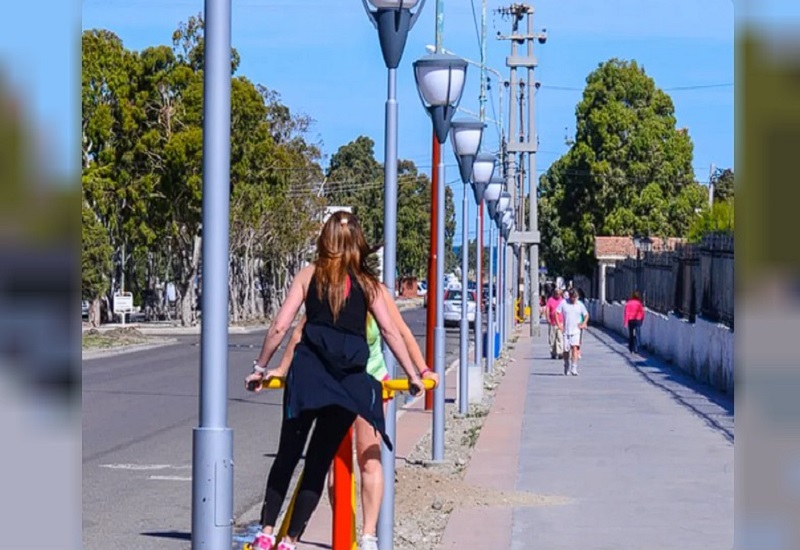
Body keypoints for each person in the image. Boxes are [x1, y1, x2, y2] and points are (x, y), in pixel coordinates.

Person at [243, 211, 424, 550]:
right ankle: (291, 541)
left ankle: (267, 532)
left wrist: (261, 366)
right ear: (358, 242)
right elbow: (389, 331)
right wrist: (413, 375)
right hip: (346, 384)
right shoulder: (369, 285)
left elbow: (281, 326)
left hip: (307, 378)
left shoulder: (309, 275)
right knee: (317, 462)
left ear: (325, 239)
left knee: (287, 455)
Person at [272, 283, 439, 550]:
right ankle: (344, 530)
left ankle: (368, 535)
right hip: (335, 386)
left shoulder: (374, 291)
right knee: (333, 465)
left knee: (368, 459)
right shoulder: (328, 286)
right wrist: (281, 369)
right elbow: (299, 333)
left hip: (371, 383)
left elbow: (399, 332)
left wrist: (422, 370)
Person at [556, 290, 589, 376]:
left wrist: (584, 323)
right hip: (566, 330)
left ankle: (574, 367)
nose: (574, 300)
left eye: (575, 298)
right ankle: (566, 364)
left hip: (576, 331)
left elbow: (586, 315)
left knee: (575, 348)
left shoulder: (580, 305)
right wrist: (559, 324)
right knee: (566, 350)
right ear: (570, 297)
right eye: (572, 298)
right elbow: (556, 312)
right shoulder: (564, 303)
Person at [545, 288, 564, 359]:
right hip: (552, 322)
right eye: (556, 293)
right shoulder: (550, 300)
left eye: (559, 294)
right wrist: (547, 318)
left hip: (560, 322)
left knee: (560, 337)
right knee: (552, 338)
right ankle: (553, 352)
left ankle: (560, 352)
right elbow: (547, 309)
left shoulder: (562, 301)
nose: (557, 295)